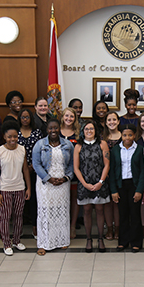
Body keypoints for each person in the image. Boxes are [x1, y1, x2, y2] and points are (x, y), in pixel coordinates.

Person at [33, 119, 74, 255]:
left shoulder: (68, 145)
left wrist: (66, 178)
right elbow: (36, 164)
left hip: (62, 183)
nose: (53, 131)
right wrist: (48, 178)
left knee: (61, 211)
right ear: (47, 130)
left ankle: (61, 240)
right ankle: (44, 243)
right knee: (45, 212)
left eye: (56, 128)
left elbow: (72, 164)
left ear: (59, 129)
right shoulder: (40, 145)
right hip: (45, 183)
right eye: (51, 128)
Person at [0, 120, 31, 256]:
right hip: (5, 188)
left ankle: (16, 240)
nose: (12, 139)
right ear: (4, 137)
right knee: (5, 217)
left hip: (20, 187)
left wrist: (28, 188)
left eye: (15, 136)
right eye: (9, 137)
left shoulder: (22, 149)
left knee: (19, 216)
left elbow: (25, 169)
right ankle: (6, 243)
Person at [109, 124, 144, 252]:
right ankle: (123, 241)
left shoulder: (140, 149)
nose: (127, 137)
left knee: (135, 214)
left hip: (134, 185)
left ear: (134, 136)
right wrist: (113, 190)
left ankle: (136, 242)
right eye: (124, 135)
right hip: (121, 185)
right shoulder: (115, 150)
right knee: (123, 214)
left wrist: (139, 190)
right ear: (121, 135)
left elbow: (143, 171)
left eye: (130, 135)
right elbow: (112, 171)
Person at [74, 121, 110, 252]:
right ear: (83, 131)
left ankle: (101, 239)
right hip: (85, 184)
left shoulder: (102, 144)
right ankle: (89, 239)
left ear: (95, 131)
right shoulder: (78, 146)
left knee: (100, 210)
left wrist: (101, 182)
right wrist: (84, 184)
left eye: (92, 129)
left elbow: (107, 164)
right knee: (87, 210)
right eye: (87, 129)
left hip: (100, 183)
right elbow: (76, 168)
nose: (89, 131)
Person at [17, 108, 43, 239]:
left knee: (34, 199)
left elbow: (41, 150)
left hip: (34, 170)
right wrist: (22, 167)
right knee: (19, 200)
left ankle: (35, 226)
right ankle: (18, 227)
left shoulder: (37, 132)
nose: (25, 119)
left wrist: (33, 165)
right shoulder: (15, 133)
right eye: (23, 117)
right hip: (17, 171)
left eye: (27, 117)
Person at [59, 107, 80, 238]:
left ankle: (72, 226)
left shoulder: (78, 134)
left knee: (74, 199)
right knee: (61, 200)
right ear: (62, 117)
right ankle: (62, 226)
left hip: (74, 172)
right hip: (58, 173)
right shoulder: (56, 131)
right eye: (66, 116)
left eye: (71, 116)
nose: (69, 119)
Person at [103, 111, 122, 240]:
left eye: (114, 120)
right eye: (109, 120)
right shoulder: (102, 137)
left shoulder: (124, 136)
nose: (112, 122)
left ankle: (118, 228)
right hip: (105, 174)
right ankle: (109, 228)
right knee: (107, 203)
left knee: (117, 202)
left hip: (121, 174)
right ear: (105, 122)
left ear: (118, 121)